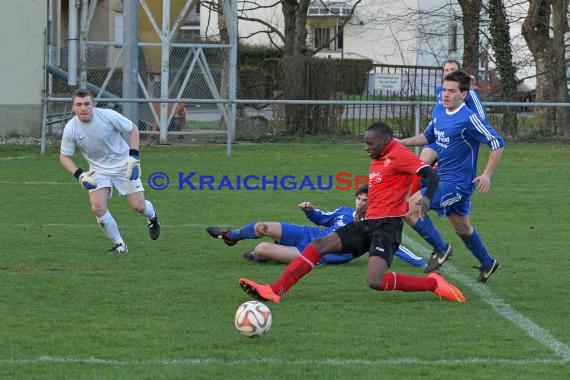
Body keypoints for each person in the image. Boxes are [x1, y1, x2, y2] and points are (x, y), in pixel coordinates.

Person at [238, 122, 466, 304]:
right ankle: (275, 290)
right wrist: (366, 207)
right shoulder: (377, 158)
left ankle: (433, 284)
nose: (366, 147)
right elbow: (381, 186)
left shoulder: (400, 154)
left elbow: (431, 175)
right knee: (319, 245)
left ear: (385, 141)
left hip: (387, 227)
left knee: (375, 281)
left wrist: (426, 198)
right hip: (367, 223)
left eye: (370, 143)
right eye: (365, 143)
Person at [399, 70, 504, 282]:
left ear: (464, 94)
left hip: (457, 184)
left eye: (452, 91)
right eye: (444, 90)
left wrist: (486, 175)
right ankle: (488, 263)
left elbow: (497, 142)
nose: (446, 95)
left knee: (408, 209)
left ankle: (441, 249)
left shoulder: (469, 119)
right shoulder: (439, 110)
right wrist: (402, 142)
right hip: (444, 179)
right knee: (462, 228)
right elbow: (428, 136)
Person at [207, 185, 427, 268]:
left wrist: (421, 262)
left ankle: (261, 257)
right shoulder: (343, 212)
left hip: (315, 252)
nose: (360, 203)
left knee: (261, 248)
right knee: (263, 227)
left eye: (365, 200)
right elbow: (323, 218)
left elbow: (394, 247)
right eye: (359, 199)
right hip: (308, 233)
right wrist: (310, 210)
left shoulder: (372, 227)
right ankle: (231, 236)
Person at [59, 88, 161, 253]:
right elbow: (64, 156)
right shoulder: (71, 128)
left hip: (123, 165)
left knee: (139, 207)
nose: (83, 108)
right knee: (97, 207)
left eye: (87, 104)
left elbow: (133, 129)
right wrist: (80, 175)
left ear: (93, 105)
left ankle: (152, 217)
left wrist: (134, 157)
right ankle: (120, 245)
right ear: (73, 107)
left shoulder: (108, 116)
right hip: (98, 170)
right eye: (79, 104)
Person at [421, 59, 487, 165]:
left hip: (457, 137)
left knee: (449, 167)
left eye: (453, 69)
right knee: (424, 159)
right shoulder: (440, 89)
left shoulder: (468, 90)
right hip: (440, 134)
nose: (449, 72)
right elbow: (439, 113)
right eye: (446, 70)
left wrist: (462, 127)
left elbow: (481, 116)